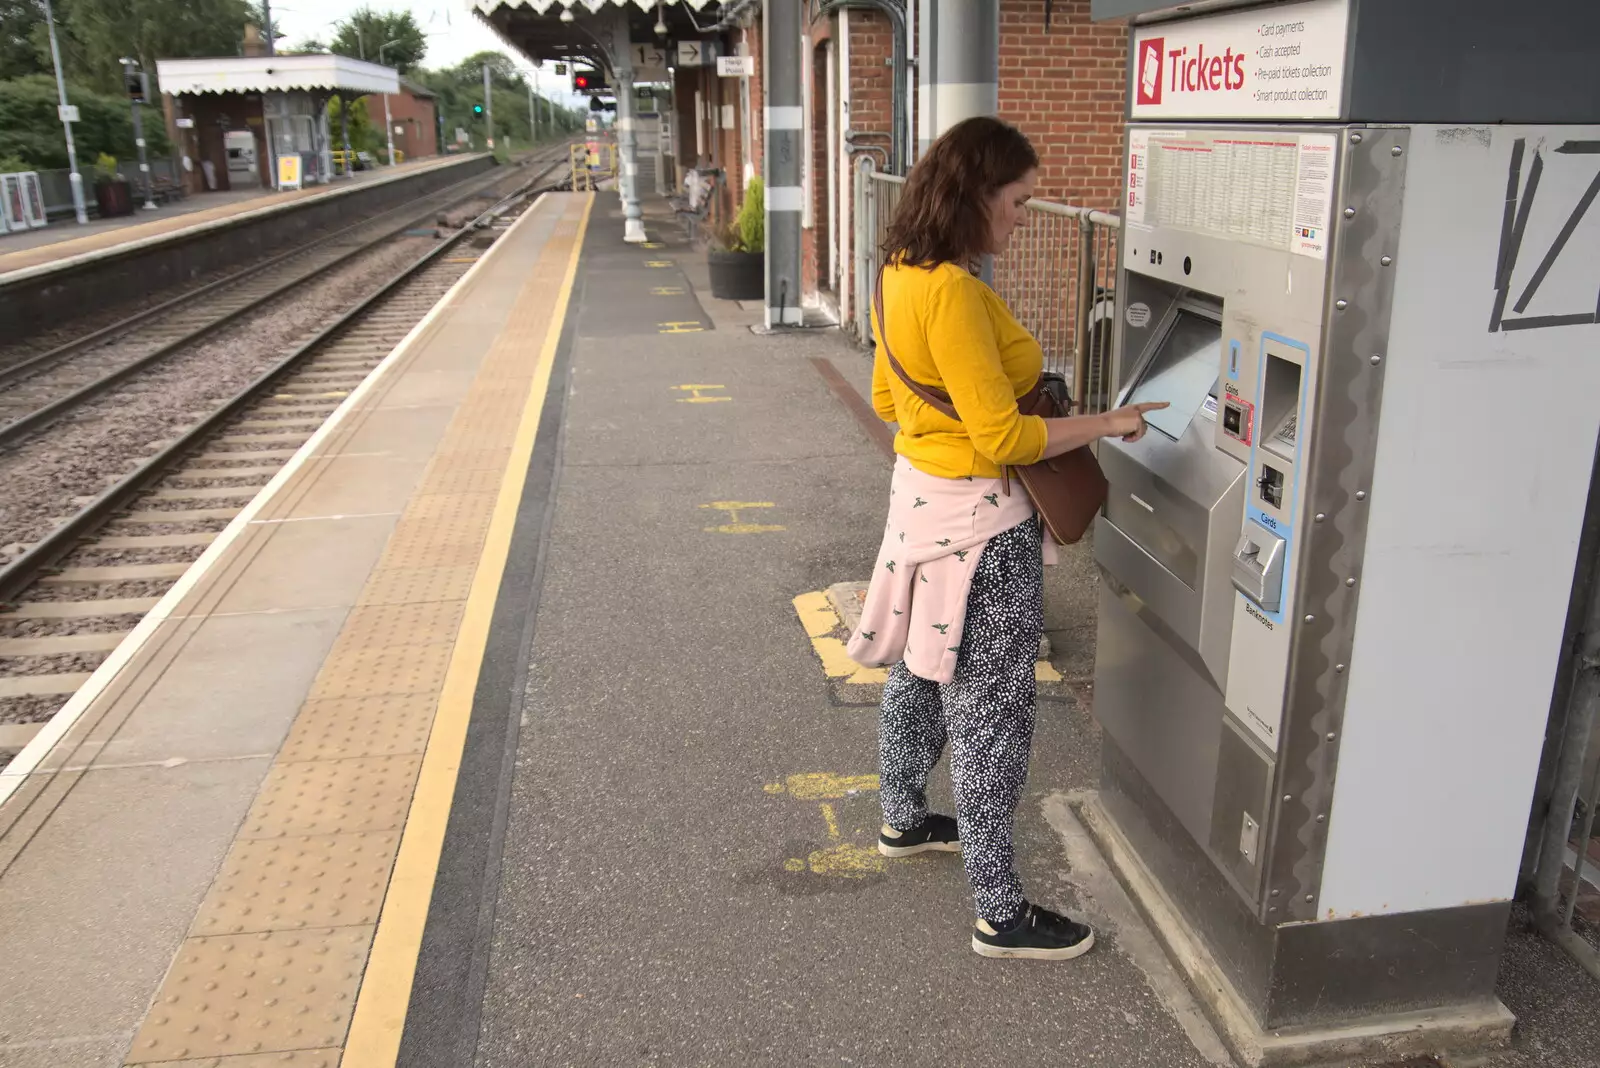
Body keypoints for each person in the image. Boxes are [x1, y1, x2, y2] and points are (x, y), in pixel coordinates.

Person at [846, 116, 1167, 961]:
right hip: (982, 526)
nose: (1026, 215)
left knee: (921, 671)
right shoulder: (952, 291)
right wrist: (1112, 422)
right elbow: (1006, 441)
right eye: (1019, 200)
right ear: (974, 194)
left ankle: (904, 817)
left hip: (918, 504)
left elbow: (888, 400)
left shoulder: (898, 276)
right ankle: (1001, 912)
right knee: (991, 711)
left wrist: (941, 434)